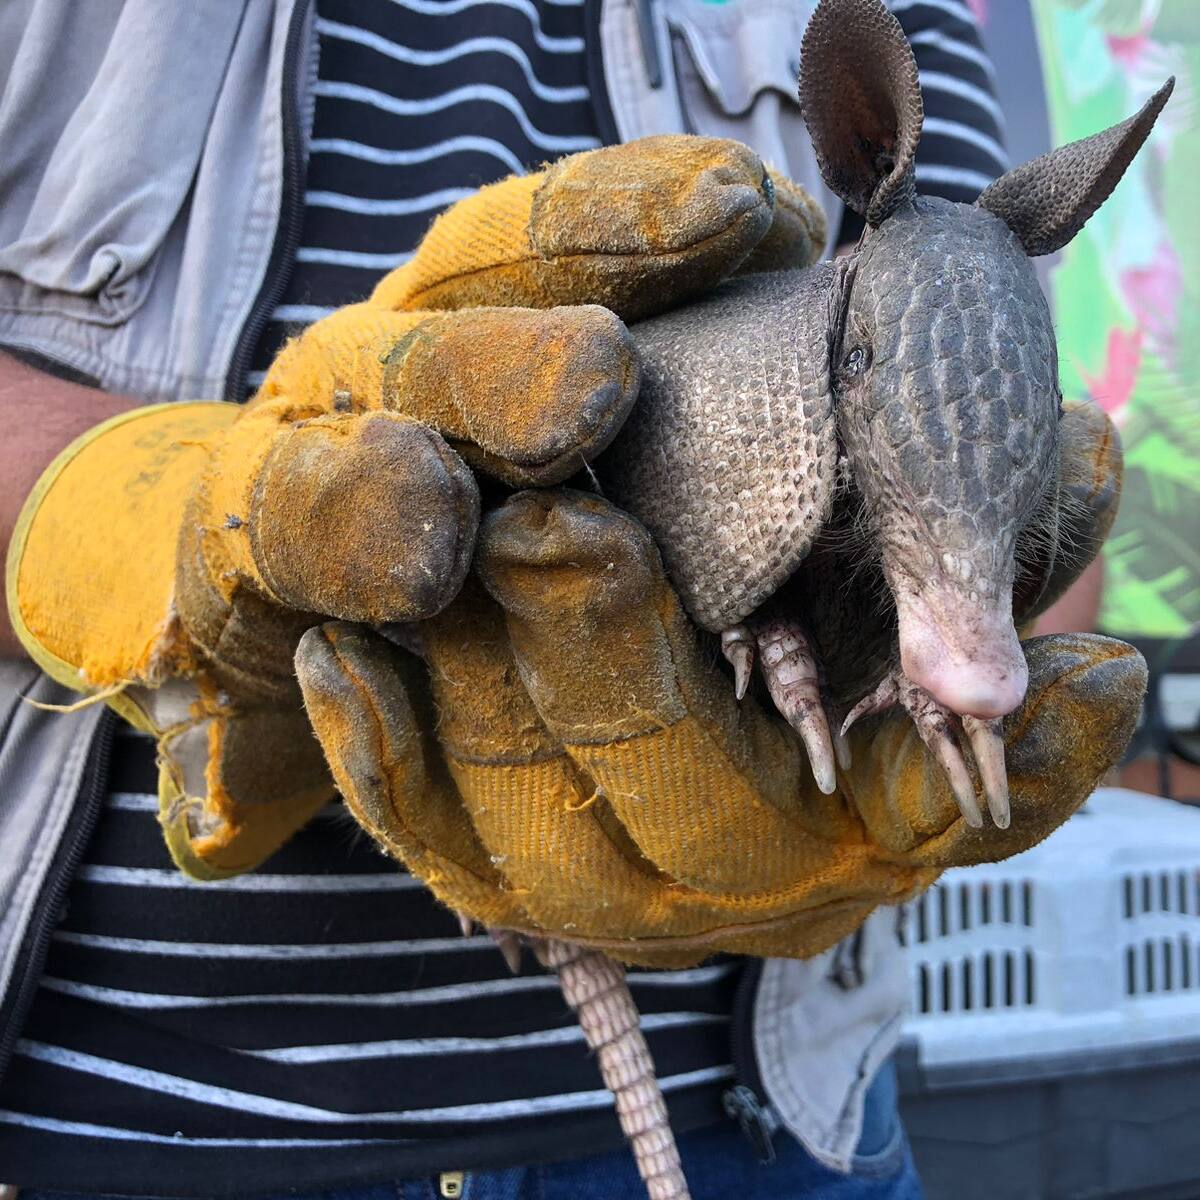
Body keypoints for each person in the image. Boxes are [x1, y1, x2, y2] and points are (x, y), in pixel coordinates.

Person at [0, 2, 1021, 1197]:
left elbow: (989, 418)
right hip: (130, 1122)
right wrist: (159, 512)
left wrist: (895, 638)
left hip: (771, 1121)